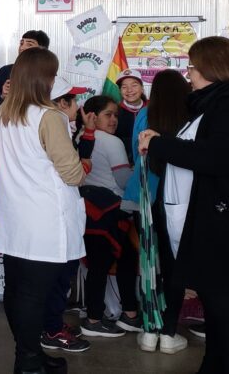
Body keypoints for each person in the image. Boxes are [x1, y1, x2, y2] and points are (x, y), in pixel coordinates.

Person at [138, 36, 229, 374]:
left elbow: (219, 157)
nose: (189, 73)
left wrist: (161, 144)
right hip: (215, 224)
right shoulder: (213, 105)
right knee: (217, 311)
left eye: (193, 66)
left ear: (214, 68)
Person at [0, 47, 85, 373]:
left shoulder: (3, 114)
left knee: (17, 292)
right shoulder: (48, 116)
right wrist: (82, 167)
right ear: (44, 78)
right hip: (45, 221)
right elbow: (72, 173)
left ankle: (29, 355)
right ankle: (28, 362)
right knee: (34, 297)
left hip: (15, 220)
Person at [121, 69, 192, 353]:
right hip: (179, 198)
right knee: (174, 265)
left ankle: (150, 330)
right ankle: (169, 331)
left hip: (144, 196)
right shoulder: (190, 118)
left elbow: (136, 152)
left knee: (149, 261)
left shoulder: (144, 115)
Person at [74, 96, 142, 338]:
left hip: (87, 210)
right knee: (111, 263)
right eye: (108, 114)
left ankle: (128, 314)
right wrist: (139, 173)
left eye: (116, 115)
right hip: (112, 212)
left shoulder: (79, 138)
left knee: (109, 263)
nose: (114, 119)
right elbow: (123, 181)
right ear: (92, 116)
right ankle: (95, 319)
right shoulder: (112, 142)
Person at [40, 77, 94, 355]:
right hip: (58, 214)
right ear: (62, 103)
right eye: (74, 100)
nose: (78, 106)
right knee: (58, 278)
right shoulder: (54, 125)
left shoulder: (62, 126)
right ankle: (51, 330)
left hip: (64, 212)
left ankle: (52, 324)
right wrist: (83, 167)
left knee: (60, 276)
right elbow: (73, 173)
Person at [0, 30, 49, 118]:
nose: (22, 48)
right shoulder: (5, 71)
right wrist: (2, 96)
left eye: (29, 44)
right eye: (21, 43)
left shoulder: (48, 75)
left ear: (42, 50)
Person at [113, 70, 148, 162]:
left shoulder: (152, 110)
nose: (129, 90)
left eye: (134, 85)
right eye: (124, 87)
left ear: (142, 88)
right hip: (123, 161)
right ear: (120, 91)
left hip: (149, 162)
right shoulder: (115, 112)